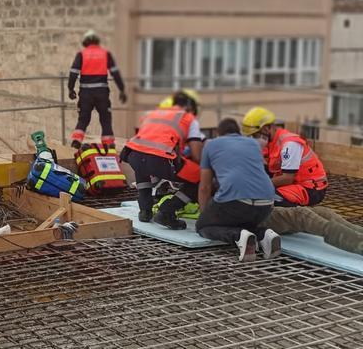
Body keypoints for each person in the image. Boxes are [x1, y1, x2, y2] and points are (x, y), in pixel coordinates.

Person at [196, 118, 280, 262]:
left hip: (237, 200)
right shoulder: (253, 143)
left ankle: (238, 236)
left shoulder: (211, 145)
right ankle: (264, 235)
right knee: (240, 221)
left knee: (203, 226)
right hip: (267, 202)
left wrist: (205, 215)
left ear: (217, 133)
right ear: (238, 132)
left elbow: (205, 187)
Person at [121, 90, 204, 229]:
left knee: (143, 167)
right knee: (199, 177)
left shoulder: (152, 114)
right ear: (192, 107)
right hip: (160, 160)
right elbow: (197, 155)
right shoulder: (188, 118)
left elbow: (147, 141)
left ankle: (145, 211)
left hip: (133, 156)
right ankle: (167, 212)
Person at [241, 107, 328, 207]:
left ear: (266, 128)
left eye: (255, 135)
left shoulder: (290, 144)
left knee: (268, 199)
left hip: (311, 188)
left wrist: (259, 185)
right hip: (293, 183)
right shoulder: (269, 143)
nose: (254, 139)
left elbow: (287, 178)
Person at [67, 29, 127, 148]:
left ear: (85, 42)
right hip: (102, 93)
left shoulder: (82, 54)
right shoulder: (105, 54)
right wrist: (122, 89)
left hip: (86, 93)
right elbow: (115, 73)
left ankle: (77, 141)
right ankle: (109, 144)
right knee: (105, 118)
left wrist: (70, 89)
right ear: (97, 41)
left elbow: (73, 72)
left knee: (83, 118)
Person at [265, 206, 363, 255]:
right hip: (254, 216)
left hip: (264, 205)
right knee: (301, 215)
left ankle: (358, 233)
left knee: (324, 212)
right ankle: (358, 244)